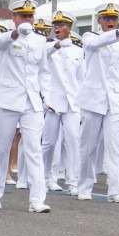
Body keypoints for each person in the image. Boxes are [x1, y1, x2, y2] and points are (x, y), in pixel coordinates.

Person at [0, 0, 50, 212]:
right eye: (22, 16)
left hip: (31, 101)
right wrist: (15, 34)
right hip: (8, 100)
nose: (26, 20)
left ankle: (37, 200)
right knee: (0, 148)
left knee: (34, 149)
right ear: (13, 18)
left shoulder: (40, 41)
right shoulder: (5, 37)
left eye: (30, 16)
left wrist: (46, 96)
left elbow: (44, 71)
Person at [74, 4, 119, 203]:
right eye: (106, 18)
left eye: (113, 19)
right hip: (93, 100)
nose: (110, 22)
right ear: (99, 20)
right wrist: (117, 33)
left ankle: (115, 189)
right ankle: (84, 186)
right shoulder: (90, 36)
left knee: (115, 145)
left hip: (114, 100)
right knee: (88, 146)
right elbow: (94, 45)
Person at [42, 10, 86, 196]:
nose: (58, 28)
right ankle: (45, 178)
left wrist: (81, 103)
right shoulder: (49, 47)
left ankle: (73, 181)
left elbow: (81, 79)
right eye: (56, 25)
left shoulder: (78, 51)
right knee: (49, 143)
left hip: (72, 102)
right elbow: (44, 57)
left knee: (73, 142)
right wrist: (58, 45)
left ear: (70, 28)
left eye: (62, 25)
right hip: (53, 102)